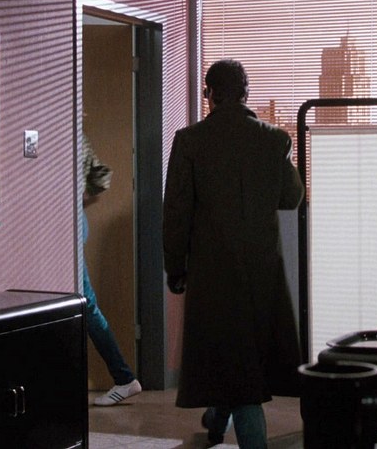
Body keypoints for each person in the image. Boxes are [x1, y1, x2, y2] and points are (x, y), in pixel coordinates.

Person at [163, 59, 304, 448]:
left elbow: (176, 213)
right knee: (243, 363)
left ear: (208, 93)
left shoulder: (190, 141)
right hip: (262, 273)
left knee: (235, 370)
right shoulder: (274, 139)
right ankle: (216, 420)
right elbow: (291, 197)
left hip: (213, 274)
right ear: (246, 92)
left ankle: (220, 420)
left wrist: (175, 267)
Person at [81, 132, 142, 406]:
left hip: (65, 224)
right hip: (74, 221)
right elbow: (101, 175)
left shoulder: (61, 132)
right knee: (83, 305)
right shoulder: (79, 136)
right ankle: (123, 376)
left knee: (85, 306)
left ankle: (124, 377)